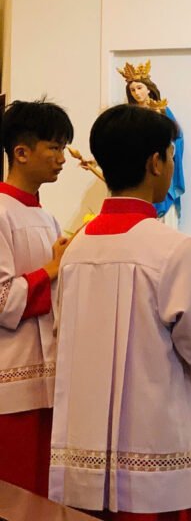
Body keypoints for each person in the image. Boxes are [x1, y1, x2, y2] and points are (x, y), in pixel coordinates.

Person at [49, 104, 191, 521]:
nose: (171, 164)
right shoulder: (173, 249)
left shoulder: (76, 249)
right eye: (171, 155)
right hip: (156, 442)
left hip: (85, 442)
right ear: (155, 162)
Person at [0, 99, 72, 495]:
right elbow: (2, 300)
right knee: (15, 492)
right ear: (21, 152)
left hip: (48, 375)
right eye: (55, 147)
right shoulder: (1, 212)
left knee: (44, 492)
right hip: (12, 374)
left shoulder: (47, 218)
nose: (62, 158)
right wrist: (52, 269)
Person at [119, 60, 185, 225]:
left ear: (148, 88)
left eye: (139, 88)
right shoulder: (130, 115)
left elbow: (176, 137)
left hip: (160, 162)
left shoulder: (161, 110)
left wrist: (166, 148)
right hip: (140, 167)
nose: (136, 93)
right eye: (132, 90)